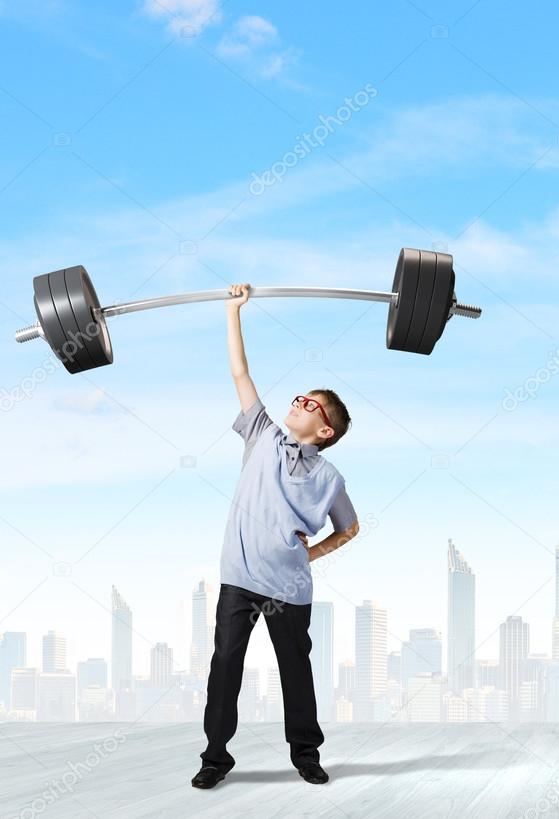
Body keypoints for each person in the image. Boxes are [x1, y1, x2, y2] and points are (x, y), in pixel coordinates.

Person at [191, 283, 360, 789]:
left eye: (310, 403)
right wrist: (232, 311)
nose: (298, 402)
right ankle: (215, 758)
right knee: (225, 668)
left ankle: (306, 754)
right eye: (299, 396)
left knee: (295, 671)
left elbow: (349, 527)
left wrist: (316, 551)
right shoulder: (263, 433)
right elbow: (240, 372)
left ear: (325, 430)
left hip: (288, 588)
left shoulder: (329, 478)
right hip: (238, 580)